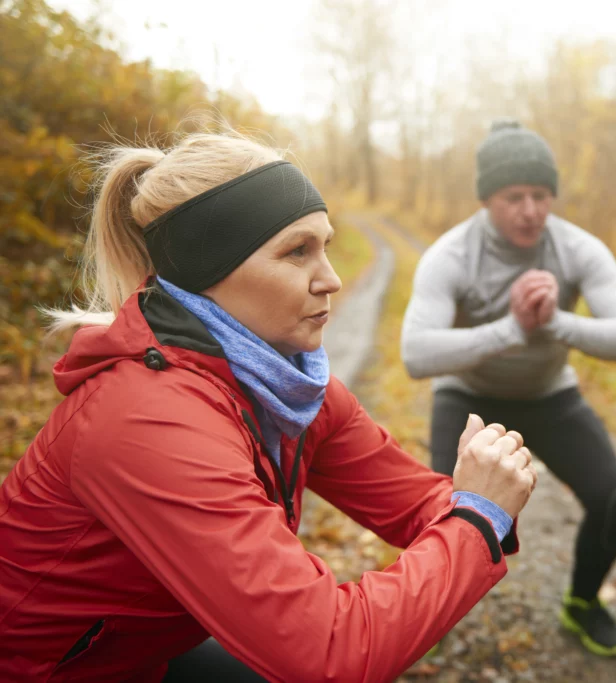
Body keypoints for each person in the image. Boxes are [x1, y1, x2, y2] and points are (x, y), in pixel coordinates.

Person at [0, 130, 539, 683]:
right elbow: (329, 653)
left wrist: (480, 496)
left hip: (144, 654)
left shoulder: (290, 383)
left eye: (325, 246)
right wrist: (478, 516)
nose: (330, 278)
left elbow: (416, 503)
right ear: (210, 272)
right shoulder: (144, 422)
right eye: (297, 251)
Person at [400, 120, 616, 657]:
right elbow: (416, 354)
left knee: (614, 499)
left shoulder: (579, 249)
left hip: (549, 394)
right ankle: (424, 619)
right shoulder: (453, 255)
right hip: (469, 397)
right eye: (514, 197)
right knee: (440, 511)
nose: (531, 210)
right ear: (488, 199)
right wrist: (512, 329)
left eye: (541, 196)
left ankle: (584, 604)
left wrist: (553, 321)